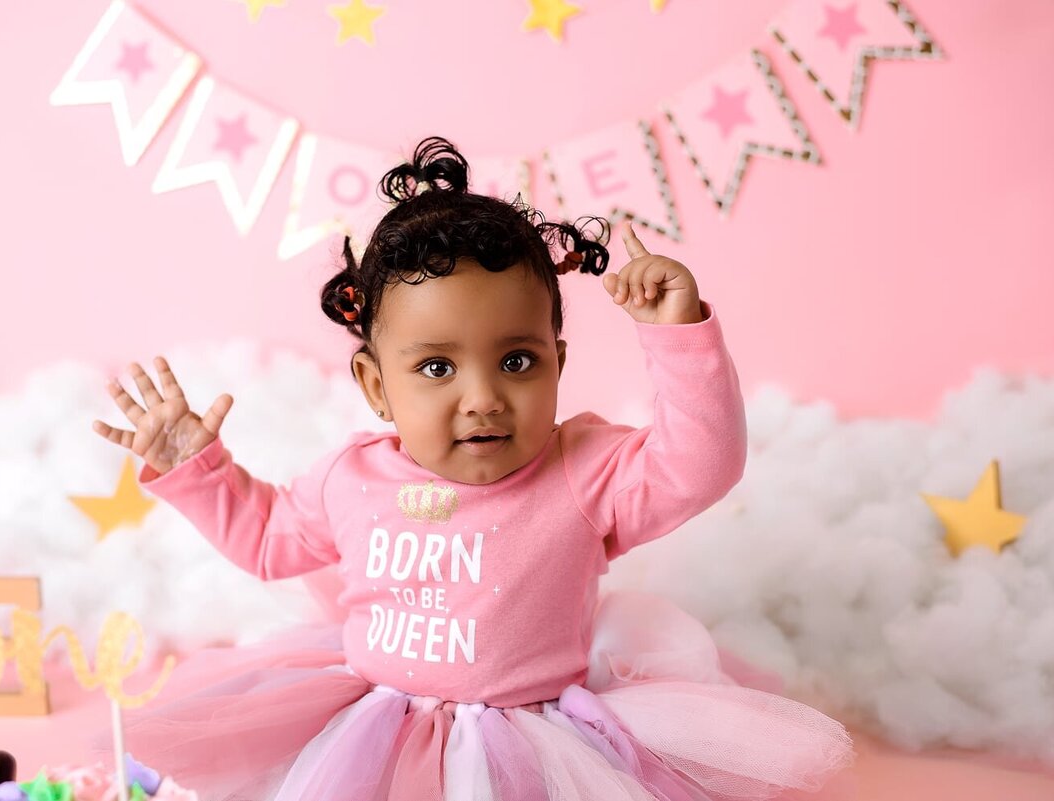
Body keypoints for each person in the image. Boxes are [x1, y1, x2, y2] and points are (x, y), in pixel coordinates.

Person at [92, 136, 853, 801]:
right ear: (376, 387)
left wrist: (678, 338)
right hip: (372, 729)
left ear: (560, 362)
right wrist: (196, 463)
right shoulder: (351, 478)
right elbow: (266, 538)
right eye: (435, 367)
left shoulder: (583, 469)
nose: (483, 398)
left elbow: (700, 465)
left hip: (533, 738)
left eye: (517, 360)